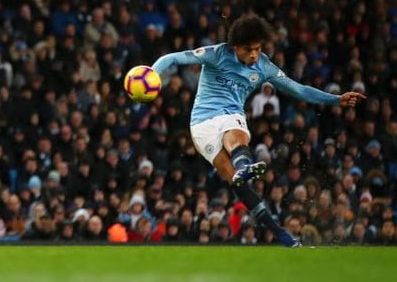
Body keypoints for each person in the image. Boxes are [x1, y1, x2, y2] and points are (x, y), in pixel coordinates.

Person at [151, 13, 364, 248]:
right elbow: (171, 58)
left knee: (236, 132)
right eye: (248, 49)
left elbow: (299, 89)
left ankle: (280, 231)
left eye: (258, 48)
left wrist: (336, 99)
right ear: (235, 47)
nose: (254, 54)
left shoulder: (264, 66)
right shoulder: (216, 54)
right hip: (201, 124)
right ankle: (244, 173)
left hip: (231, 115)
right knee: (237, 184)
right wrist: (151, 74)